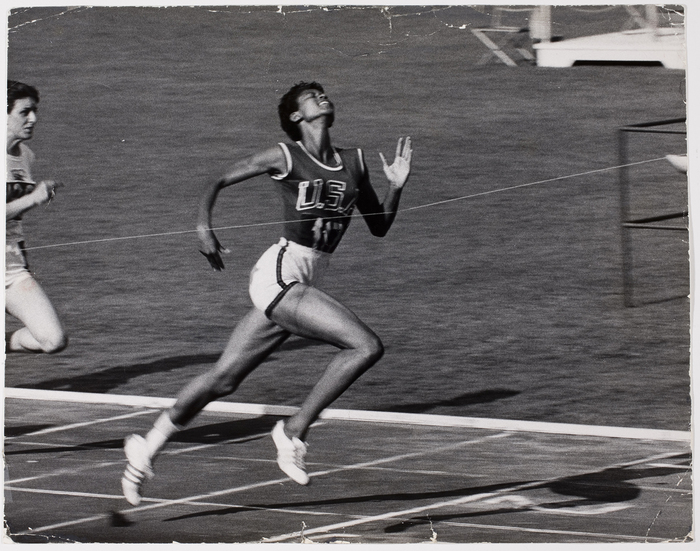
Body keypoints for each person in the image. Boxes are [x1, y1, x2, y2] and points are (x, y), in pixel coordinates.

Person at [121, 81, 412, 505]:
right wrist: (204, 225)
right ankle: (293, 431)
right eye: (312, 96)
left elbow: (379, 225)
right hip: (279, 274)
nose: (322, 97)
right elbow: (218, 178)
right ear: (296, 116)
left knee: (223, 379)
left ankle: (145, 449)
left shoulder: (354, 161)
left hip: (304, 282)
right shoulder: (285, 155)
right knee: (365, 346)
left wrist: (396, 186)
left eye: (323, 93)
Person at [6, 80, 67, 354]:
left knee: (53, 340)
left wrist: (36, 199)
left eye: (35, 111)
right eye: (24, 112)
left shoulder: (26, 156)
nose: (33, 119)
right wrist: (33, 198)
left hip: (10, 268)